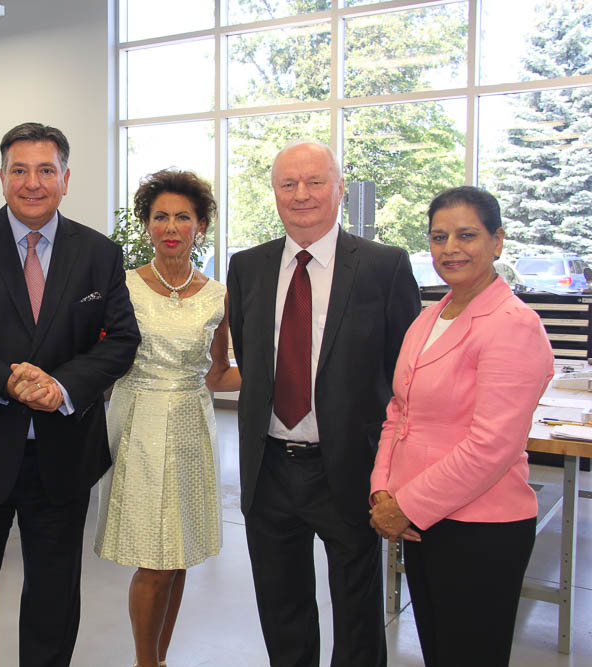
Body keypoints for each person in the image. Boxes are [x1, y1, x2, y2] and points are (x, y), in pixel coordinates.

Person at [0, 121, 141, 667]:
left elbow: (122, 340)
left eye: (45, 170)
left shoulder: (99, 253)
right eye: (19, 170)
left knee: (54, 598)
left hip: (63, 455)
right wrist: (7, 380)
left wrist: (62, 386)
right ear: (2, 177)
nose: (32, 183)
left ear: (66, 178)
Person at [227, 139, 420, 667]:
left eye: (315, 182)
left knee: (358, 614)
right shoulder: (248, 266)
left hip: (350, 468)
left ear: (339, 188)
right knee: (281, 608)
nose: (302, 194)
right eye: (288, 184)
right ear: (274, 192)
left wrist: (395, 474)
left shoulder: (383, 266)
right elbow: (251, 358)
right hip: (269, 467)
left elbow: (405, 377)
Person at [369, 186, 553, 667]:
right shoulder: (429, 318)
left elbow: (492, 446)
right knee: (438, 651)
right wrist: (382, 490)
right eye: (439, 237)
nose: (450, 248)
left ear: (497, 241)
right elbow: (399, 412)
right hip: (420, 523)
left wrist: (406, 505)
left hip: (480, 530)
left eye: (467, 235)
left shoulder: (513, 324)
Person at [94, 169, 240, 667]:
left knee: (178, 559)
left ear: (201, 225)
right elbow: (100, 361)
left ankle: (158, 658)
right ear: (147, 225)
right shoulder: (123, 286)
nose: (171, 227)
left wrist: (285, 376)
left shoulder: (218, 295)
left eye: (182, 217)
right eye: (160, 217)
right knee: (153, 561)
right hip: (139, 423)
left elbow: (217, 374)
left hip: (193, 427)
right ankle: (145, 661)